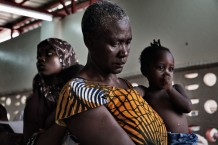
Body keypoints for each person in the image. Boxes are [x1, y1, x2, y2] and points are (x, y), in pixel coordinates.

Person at [56, 1, 167, 145]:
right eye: (115, 43)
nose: (124, 52)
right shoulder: (78, 93)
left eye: (128, 42)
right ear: (89, 41)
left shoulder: (124, 85)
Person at [23, 38, 83, 145]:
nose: (41, 59)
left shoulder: (81, 83)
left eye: (49, 54)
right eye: (38, 56)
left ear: (65, 56)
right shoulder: (38, 91)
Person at [136, 39, 198, 144]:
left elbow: (187, 107)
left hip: (187, 139)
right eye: (161, 68)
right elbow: (131, 94)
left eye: (171, 69)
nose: (167, 73)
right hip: (165, 141)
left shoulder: (177, 88)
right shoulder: (146, 93)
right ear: (145, 70)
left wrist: (169, 89)